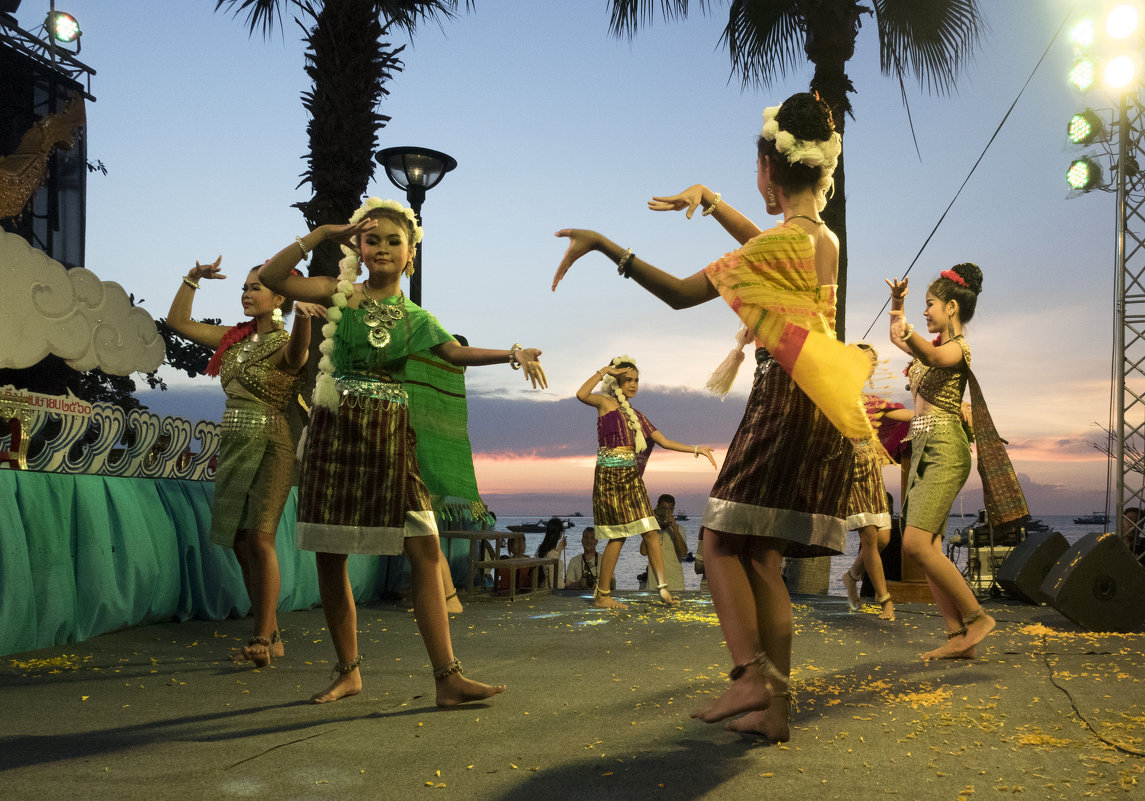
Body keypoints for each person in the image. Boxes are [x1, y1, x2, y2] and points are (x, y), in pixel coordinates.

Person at [553, 93, 873, 742]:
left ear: (768, 167)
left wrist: (604, 247)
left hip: (780, 396)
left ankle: (750, 675)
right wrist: (714, 201)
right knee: (759, 555)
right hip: (820, 404)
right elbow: (768, 247)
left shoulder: (779, 244)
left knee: (719, 539)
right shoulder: (821, 240)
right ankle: (773, 708)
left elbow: (676, 294)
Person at [259, 197, 547, 705]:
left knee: (425, 547)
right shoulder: (337, 295)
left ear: (411, 253)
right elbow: (274, 276)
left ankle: (447, 678)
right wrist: (324, 233)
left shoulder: (417, 318)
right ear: (360, 246)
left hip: (390, 436)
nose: (384, 248)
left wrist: (512, 353)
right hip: (335, 432)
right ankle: (348, 671)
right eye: (374, 239)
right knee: (331, 555)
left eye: (396, 241)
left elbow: (454, 353)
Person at [166, 256, 319, 667]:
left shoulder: (286, 342)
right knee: (238, 539)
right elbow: (178, 322)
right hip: (234, 442)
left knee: (260, 537)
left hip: (272, 444)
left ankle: (263, 638)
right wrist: (191, 278)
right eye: (245, 287)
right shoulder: (234, 338)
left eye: (256, 287)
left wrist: (303, 316)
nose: (247, 293)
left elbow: (299, 350)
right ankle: (270, 630)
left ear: (279, 297)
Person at [887, 263, 997, 660]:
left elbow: (930, 358)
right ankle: (956, 636)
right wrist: (897, 303)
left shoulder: (957, 349)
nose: (925, 311)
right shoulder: (930, 347)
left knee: (916, 542)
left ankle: (976, 618)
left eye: (929, 304)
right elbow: (898, 336)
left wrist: (910, 333)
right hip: (922, 448)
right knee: (927, 543)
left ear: (952, 307)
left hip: (946, 449)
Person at [575, 356, 716, 609]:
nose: (633, 384)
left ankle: (662, 589)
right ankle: (603, 595)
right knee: (618, 536)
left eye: (636, 380)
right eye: (628, 379)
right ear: (616, 380)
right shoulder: (605, 403)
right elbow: (581, 394)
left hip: (631, 478)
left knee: (650, 531)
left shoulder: (638, 416)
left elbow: (664, 441)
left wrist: (697, 449)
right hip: (610, 477)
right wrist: (602, 371)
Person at [841, 344, 913, 622]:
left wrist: (939, 412)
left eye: (874, 362)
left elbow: (905, 414)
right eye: (869, 361)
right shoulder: (835, 398)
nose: (872, 366)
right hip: (851, 473)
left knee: (883, 538)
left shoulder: (871, 401)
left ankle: (850, 577)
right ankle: (886, 602)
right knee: (870, 538)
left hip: (871, 472)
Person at [641, 494, 687, 593]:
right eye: (663, 508)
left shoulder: (679, 529)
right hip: (654, 586)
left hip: (676, 586)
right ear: (657, 508)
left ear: (673, 510)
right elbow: (643, 552)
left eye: (670, 509)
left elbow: (683, 553)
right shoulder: (651, 529)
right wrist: (651, 525)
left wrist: (674, 527)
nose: (667, 512)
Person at [535, 517, 567, 589]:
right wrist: (567, 584)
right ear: (560, 533)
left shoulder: (540, 550)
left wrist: (559, 549)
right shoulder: (552, 555)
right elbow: (555, 584)